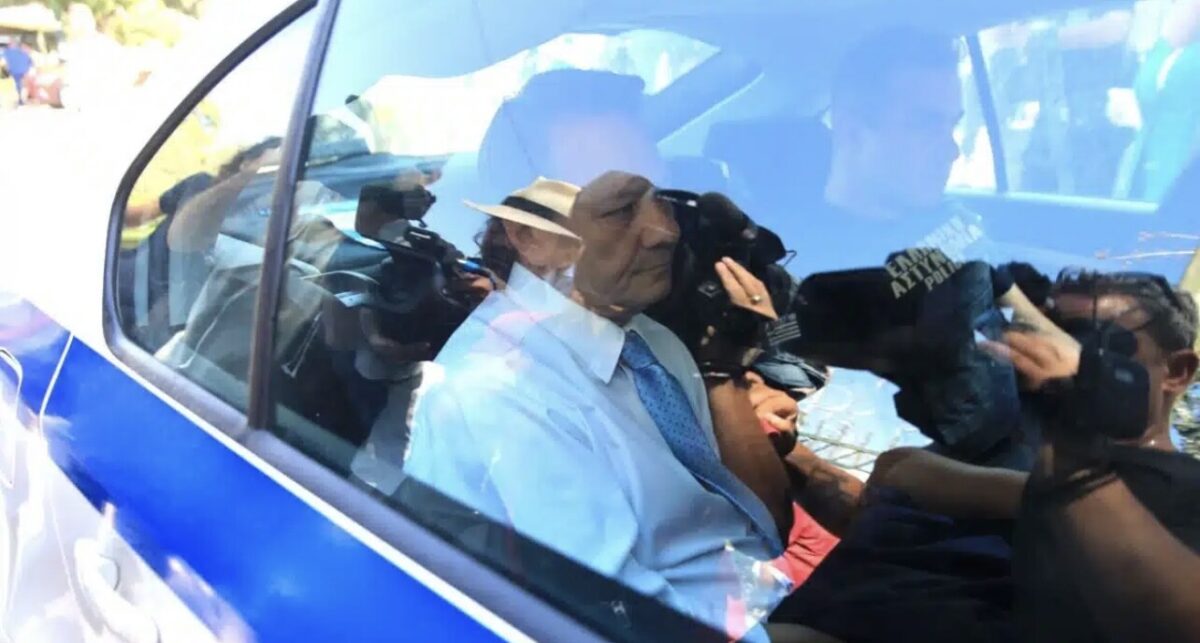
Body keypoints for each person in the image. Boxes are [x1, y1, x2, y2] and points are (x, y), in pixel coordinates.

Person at [404, 173, 797, 641]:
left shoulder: (651, 338)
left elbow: (739, 516)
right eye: (621, 213)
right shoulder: (495, 390)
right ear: (531, 239)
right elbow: (624, 614)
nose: (665, 232)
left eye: (662, 205)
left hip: (759, 593)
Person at [2, 40, 32, 106]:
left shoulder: (8, 51)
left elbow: (28, 59)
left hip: (19, 71)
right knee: (20, 84)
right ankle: (22, 98)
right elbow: (28, 59)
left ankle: (22, 98)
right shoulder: (9, 51)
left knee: (20, 84)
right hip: (19, 71)